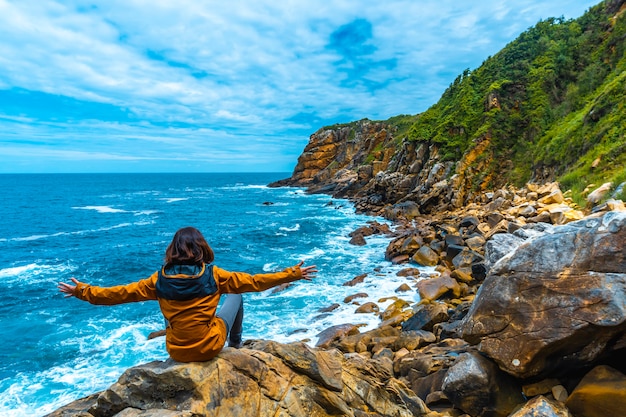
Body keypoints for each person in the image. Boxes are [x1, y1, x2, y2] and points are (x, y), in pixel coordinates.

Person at [57, 226, 317, 362]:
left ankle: (198, 336)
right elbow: (256, 281)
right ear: (202, 248)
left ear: (173, 250)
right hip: (209, 348)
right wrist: (292, 273)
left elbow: (117, 295)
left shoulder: (158, 280)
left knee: (170, 310)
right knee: (236, 295)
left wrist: (82, 291)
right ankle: (236, 345)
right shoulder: (215, 276)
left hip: (177, 351)